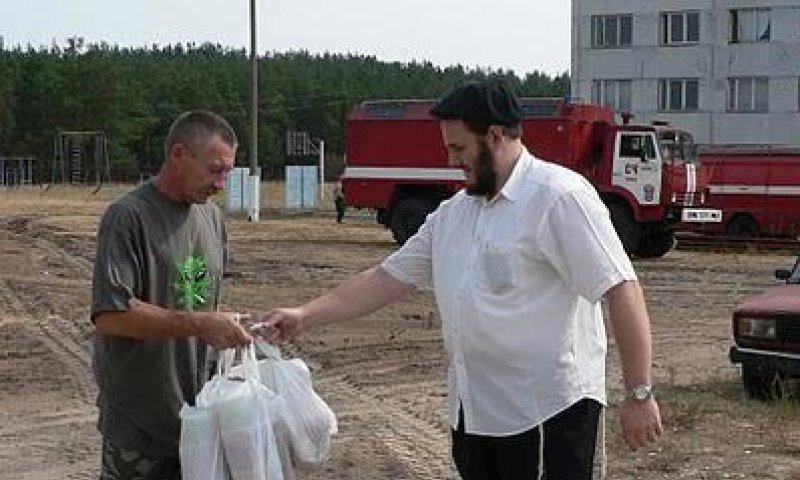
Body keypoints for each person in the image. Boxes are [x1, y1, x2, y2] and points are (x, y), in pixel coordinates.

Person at [255, 79, 662, 480]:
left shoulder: (559, 197)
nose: (452, 159)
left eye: (460, 148)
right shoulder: (455, 214)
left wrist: (639, 393)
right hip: (475, 415)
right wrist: (304, 315)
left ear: (496, 136)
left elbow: (621, 288)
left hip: (545, 415)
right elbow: (385, 278)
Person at [90, 110, 253, 480]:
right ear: (179, 155)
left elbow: (195, 300)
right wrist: (199, 323)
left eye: (227, 172)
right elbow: (111, 315)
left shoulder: (211, 218)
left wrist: (232, 324)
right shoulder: (127, 217)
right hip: (141, 427)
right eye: (215, 170)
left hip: (200, 424)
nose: (222, 183)